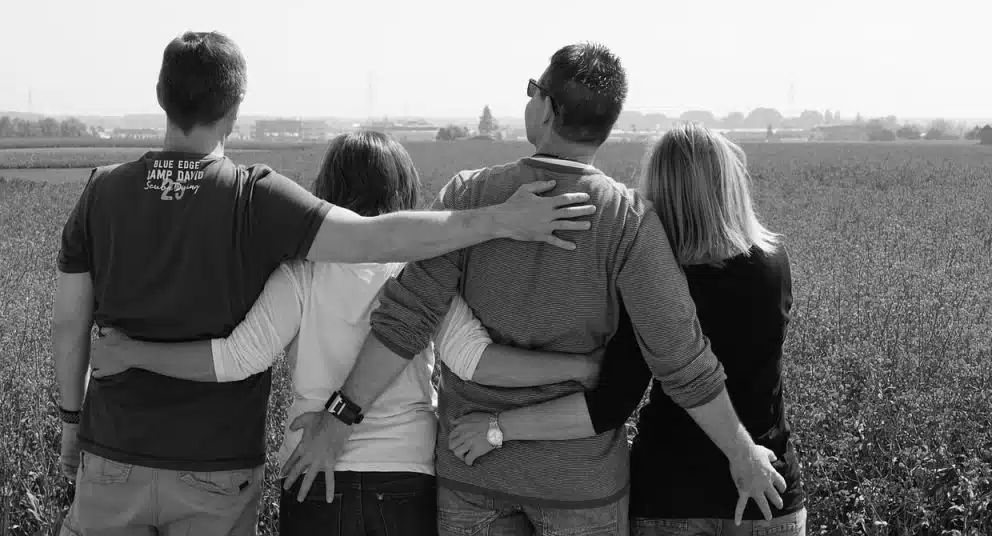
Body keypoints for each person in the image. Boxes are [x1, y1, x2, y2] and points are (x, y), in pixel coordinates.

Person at [50, 31, 596, 536]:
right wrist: (500, 222)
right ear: (235, 109)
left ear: (159, 95)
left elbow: (72, 324)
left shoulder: (102, 191)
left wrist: (78, 416)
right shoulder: (255, 197)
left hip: (127, 453)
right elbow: (377, 244)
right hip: (235, 465)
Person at [278, 43, 786, 536]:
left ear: (547, 108)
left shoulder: (470, 195)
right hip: (581, 487)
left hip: (474, 476)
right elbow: (680, 358)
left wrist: (338, 421)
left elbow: (407, 320)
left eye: (532, 90)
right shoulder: (628, 221)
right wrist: (742, 453)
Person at [447, 124, 807, 535]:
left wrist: (497, 428)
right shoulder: (774, 263)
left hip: (672, 495)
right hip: (770, 489)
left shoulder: (651, 275)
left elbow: (609, 403)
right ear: (730, 184)